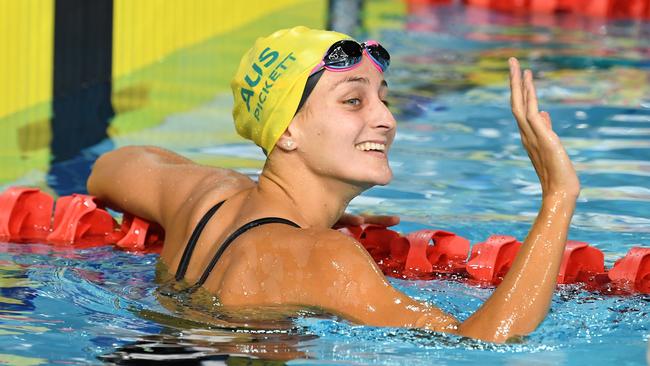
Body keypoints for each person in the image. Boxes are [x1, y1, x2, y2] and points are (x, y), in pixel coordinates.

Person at [87, 26, 580, 343]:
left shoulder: (208, 198)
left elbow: (111, 168)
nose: (385, 119)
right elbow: (484, 342)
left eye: (382, 99)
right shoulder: (323, 255)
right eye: (353, 101)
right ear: (286, 132)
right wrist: (558, 198)